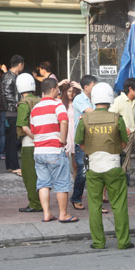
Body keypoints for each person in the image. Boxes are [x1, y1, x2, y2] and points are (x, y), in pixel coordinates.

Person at [75, 82, 134, 250]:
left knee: (94, 205)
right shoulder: (117, 118)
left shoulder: (84, 119)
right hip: (113, 165)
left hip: (93, 167)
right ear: (110, 99)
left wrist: (92, 151)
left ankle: (98, 242)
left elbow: (79, 142)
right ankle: (123, 242)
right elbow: (124, 142)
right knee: (119, 205)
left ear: (93, 99)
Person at [30, 78, 78, 223]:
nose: (58, 91)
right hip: (55, 150)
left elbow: (33, 130)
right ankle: (63, 214)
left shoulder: (35, 108)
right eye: (57, 88)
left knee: (43, 183)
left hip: (38, 151)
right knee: (61, 183)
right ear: (52, 89)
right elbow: (64, 121)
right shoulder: (58, 105)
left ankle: (47, 214)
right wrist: (62, 139)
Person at [16, 73, 43, 213]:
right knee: (41, 175)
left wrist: (35, 138)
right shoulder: (40, 100)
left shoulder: (24, 104)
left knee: (29, 176)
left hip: (29, 144)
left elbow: (23, 127)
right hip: (44, 142)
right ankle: (41, 201)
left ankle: (35, 203)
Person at [71, 75, 96, 210]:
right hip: (83, 142)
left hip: (95, 139)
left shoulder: (95, 98)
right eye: (93, 85)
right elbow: (91, 113)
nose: (95, 87)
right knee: (83, 170)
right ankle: (76, 197)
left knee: (95, 170)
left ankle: (96, 200)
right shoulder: (80, 99)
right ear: (86, 87)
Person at [1, 55, 25, 176]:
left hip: (12, 111)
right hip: (12, 111)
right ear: (20, 64)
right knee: (13, 139)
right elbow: (7, 94)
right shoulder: (9, 76)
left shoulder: (13, 76)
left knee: (11, 139)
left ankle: (10, 165)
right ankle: (15, 166)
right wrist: (18, 104)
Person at [59, 82, 81, 187]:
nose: (72, 94)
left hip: (75, 132)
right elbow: (46, 96)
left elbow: (88, 100)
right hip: (65, 132)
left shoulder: (78, 102)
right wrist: (59, 84)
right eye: (69, 91)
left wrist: (80, 87)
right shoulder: (60, 103)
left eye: (74, 91)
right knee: (64, 161)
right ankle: (64, 183)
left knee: (75, 163)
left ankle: (75, 182)